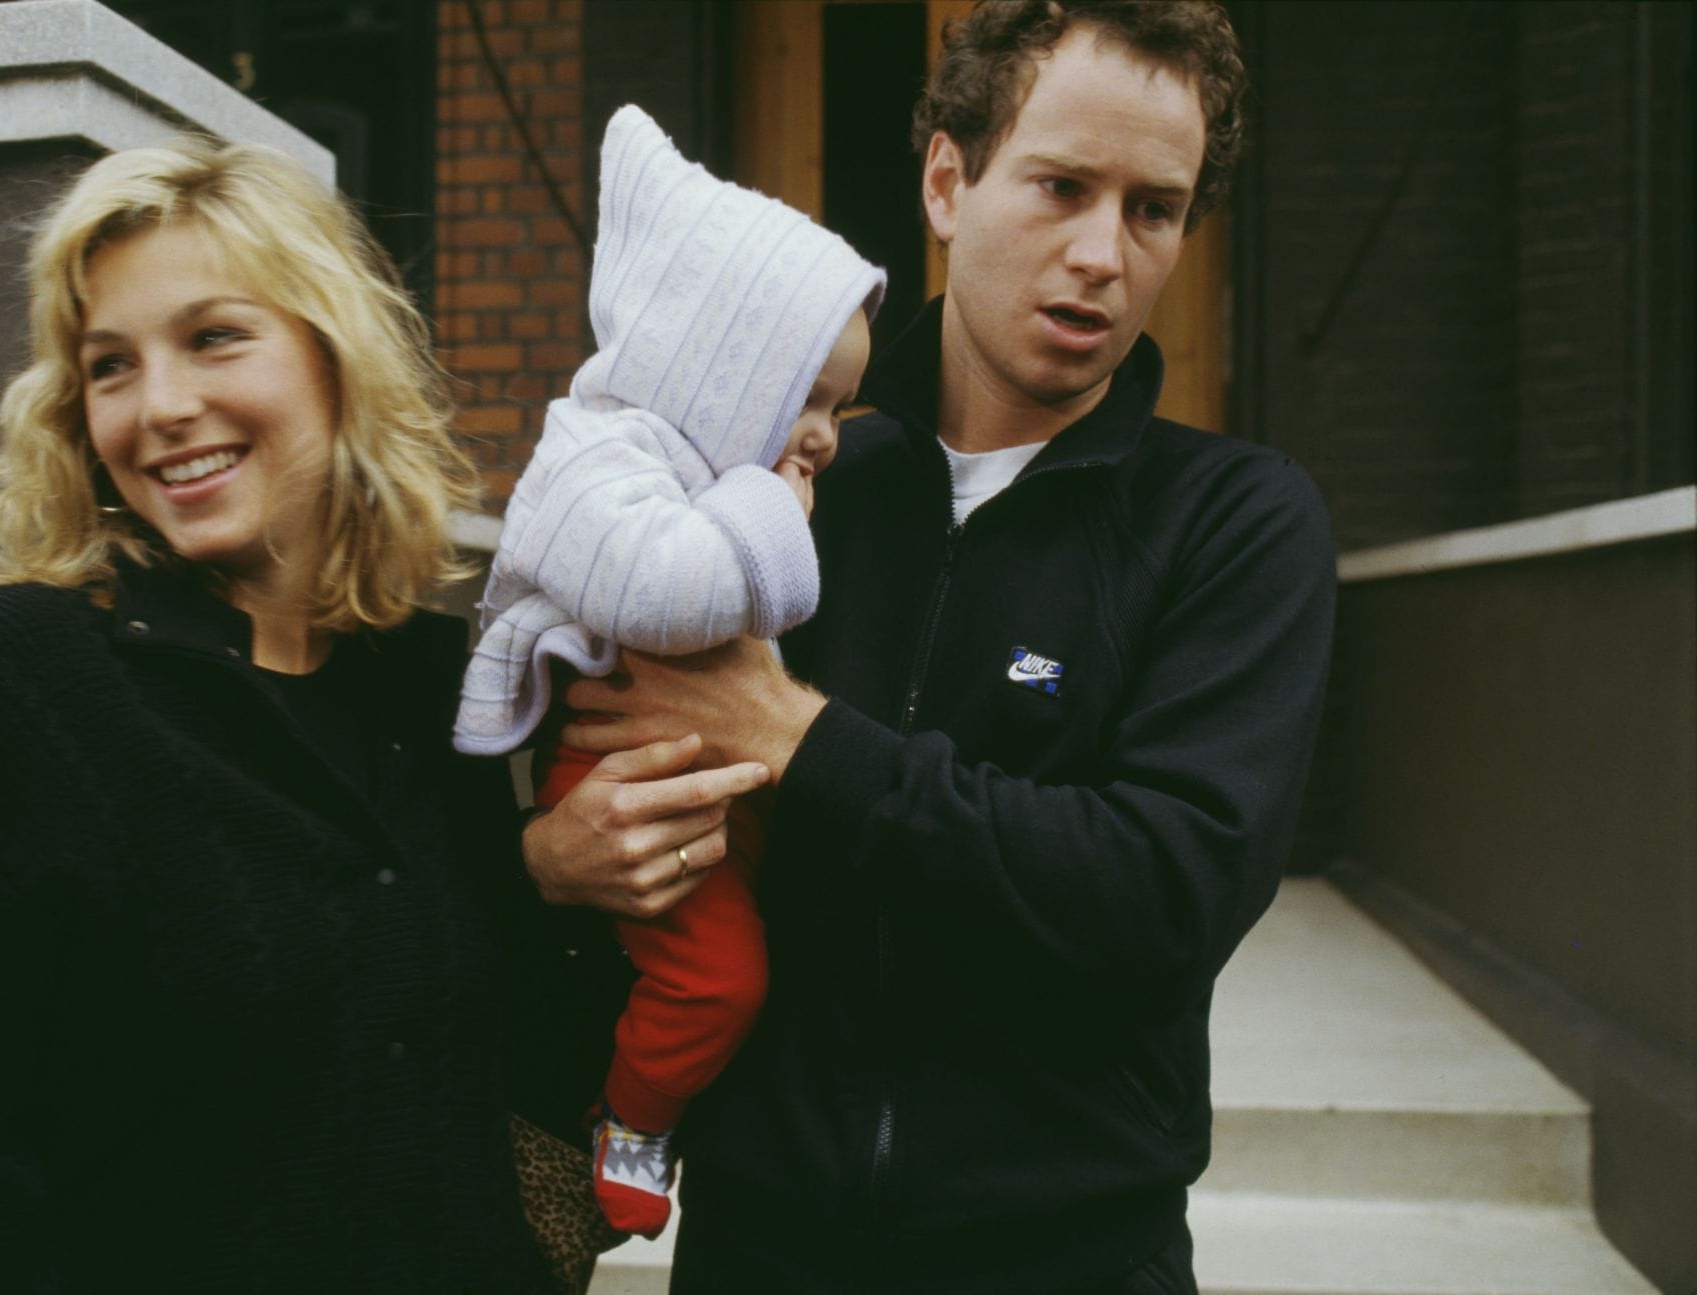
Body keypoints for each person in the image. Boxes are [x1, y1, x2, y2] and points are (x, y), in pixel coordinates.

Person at [524, 2, 1337, 1292]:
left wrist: (800, 739)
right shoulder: (774, 491)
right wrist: (553, 860)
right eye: (1062, 185)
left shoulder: (1233, 520)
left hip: (1069, 1250)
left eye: (1153, 209)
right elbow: (571, 738)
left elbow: (1162, 896)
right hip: (761, 1240)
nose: (1101, 254)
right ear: (948, 180)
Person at [0, 137, 574, 1292]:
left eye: (214, 337)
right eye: (109, 366)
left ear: (334, 358)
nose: (160, 407)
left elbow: (496, 1064)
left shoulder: (433, 694)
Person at [455, 104, 883, 1239]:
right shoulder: (600, 452)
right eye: (811, 400)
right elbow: (658, 588)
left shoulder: (688, 463)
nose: (828, 436)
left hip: (692, 771)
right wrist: (766, 501)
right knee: (720, 975)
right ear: (720, 372)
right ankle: (633, 1121)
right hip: (619, 779)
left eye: (841, 406)